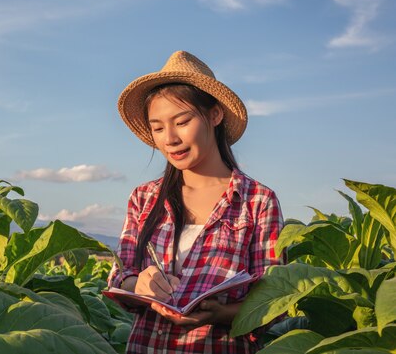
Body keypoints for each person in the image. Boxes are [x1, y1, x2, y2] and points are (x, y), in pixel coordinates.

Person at [108, 51, 284, 353]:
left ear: (215, 115)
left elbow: (274, 302)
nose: (170, 139)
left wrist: (221, 315)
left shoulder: (257, 201)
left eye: (182, 121)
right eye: (158, 127)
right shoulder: (144, 198)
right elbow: (119, 277)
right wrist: (137, 284)